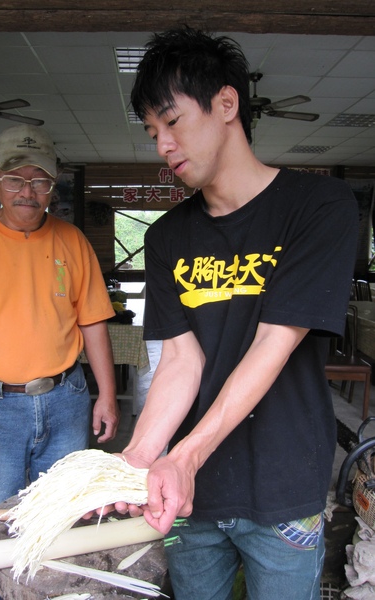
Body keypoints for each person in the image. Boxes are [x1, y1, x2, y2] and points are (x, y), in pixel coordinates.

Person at [104, 27, 359, 600]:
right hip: (191, 497)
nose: (162, 144)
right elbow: (180, 360)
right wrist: (143, 454)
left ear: (226, 104)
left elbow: (276, 341)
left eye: (172, 121)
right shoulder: (169, 235)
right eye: (152, 131)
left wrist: (185, 454)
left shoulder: (318, 208)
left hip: (283, 489)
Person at [0, 124, 119, 600]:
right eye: (16, 179)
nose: (28, 192)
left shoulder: (72, 241)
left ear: (54, 186)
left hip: (67, 401)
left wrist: (108, 396)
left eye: (40, 181)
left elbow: (93, 323)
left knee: (63, 527)